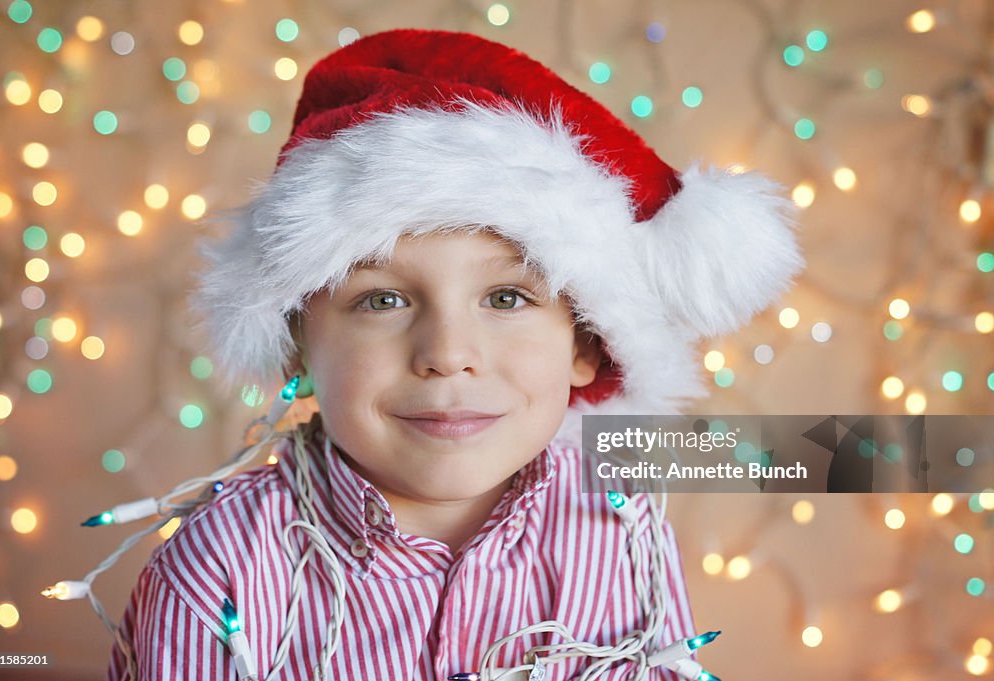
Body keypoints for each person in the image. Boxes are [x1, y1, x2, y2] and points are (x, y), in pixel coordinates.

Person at [106, 28, 802, 681]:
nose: (447, 354)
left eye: (505, 298)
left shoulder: (619, 520)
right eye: (382, 300)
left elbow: (852, 453)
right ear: (298, 347)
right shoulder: (216, 571)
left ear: (587, 345)